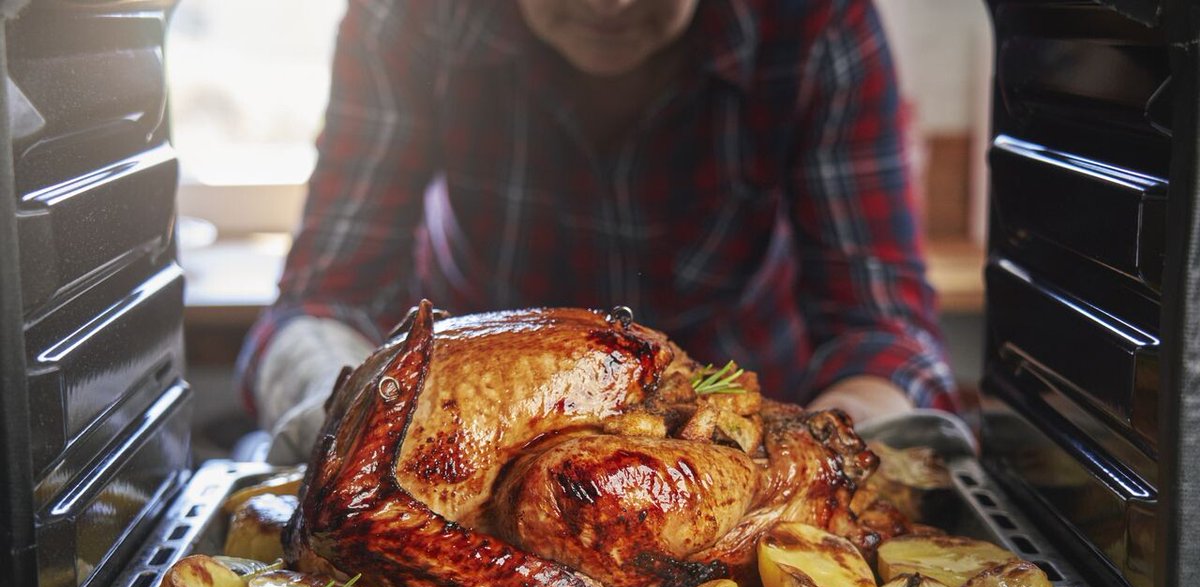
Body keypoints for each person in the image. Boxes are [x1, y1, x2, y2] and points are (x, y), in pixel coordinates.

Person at [237, 0, 959, 464]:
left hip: (749, 444)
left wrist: (837, 450)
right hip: (458, 442)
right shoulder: (410, 16)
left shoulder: (817, 20)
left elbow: (880, 326)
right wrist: (343, 417)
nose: (608, 3)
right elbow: (326, 301)